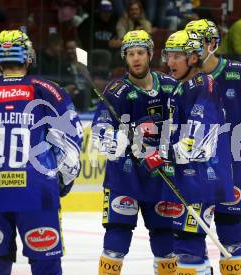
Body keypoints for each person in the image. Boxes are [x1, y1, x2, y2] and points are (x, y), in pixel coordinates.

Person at [0, 30, 83, 275]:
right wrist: (65, 177)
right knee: (46, 267)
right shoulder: (48, 90)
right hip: (38, 193)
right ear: (28, 57)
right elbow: (70, 139)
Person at [185, 19, 241, 275]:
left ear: (211, 44)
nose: (190, 50)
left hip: (233, 162)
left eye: (196, 44)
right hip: (195, 166)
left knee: (230, 226)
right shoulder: (186, 77)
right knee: (190, 229)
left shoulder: (238, 72)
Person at [92, 30, 177, 275]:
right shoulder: (116, 90)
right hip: (124, 177)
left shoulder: (170, 87)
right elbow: (100, 127)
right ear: (125, 58)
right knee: (116, 238)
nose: (136, 58)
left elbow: (186, 124)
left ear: (150, 54)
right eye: (130, 54)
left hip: (160, 175)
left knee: (165, 242)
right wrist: (111, 140)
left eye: (140, 52)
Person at [161, 29, 234, 274]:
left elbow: (199, 141)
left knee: (187, 244)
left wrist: (166, 154)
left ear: (193, 58)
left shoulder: (203, 84)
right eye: (168, 56)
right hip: (189, 178)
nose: (170, 62)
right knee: (185, 242)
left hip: (203, 178)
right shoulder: (181, 88)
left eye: (176, 56)